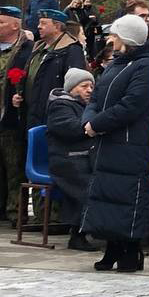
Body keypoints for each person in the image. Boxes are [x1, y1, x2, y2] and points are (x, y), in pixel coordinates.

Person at [80, 14, 149, 273]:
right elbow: (96, 98)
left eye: (115, 34)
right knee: (108, 196)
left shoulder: (146, 66)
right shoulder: (117, 64)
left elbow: (132, 105)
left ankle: (131, 249)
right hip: (108, 142)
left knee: (128, 196)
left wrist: (98, 124)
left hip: (130, 144)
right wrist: (88, 120)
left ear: (127, 38)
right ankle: (112, 246)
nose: (110, 39)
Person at [0, 5, 35, 226]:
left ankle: (16, 213)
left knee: (15, 168)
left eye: (1, 22)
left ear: (15, 25)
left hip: (13, 119)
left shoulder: (28, 50)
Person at [46, 67, 97, 251]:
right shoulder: (60, 106)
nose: (89, 90)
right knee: (88, 184)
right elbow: (69, 128)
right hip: (65, 159)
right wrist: (94, 126)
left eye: (91, 86)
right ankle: (77, 235)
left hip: (84, 156)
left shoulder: (87, 106)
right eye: (84, 86)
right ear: (71, 88)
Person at [19, 8, 87, 130]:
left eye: (44, 23)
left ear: (57, 26)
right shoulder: (38, 48)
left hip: (53, 117)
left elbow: (75, 86)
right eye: (39, 23)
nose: (39, 27)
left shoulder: (71, 50)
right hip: (31, 113)